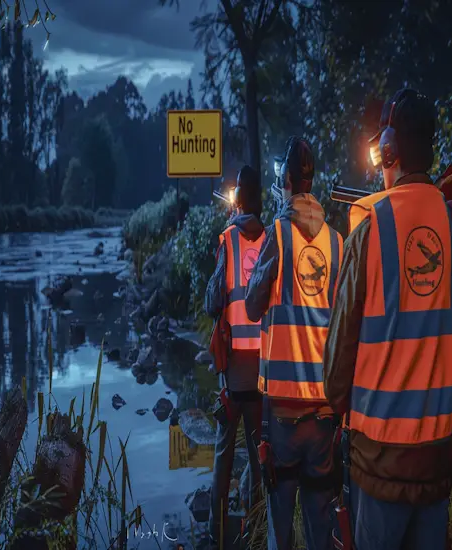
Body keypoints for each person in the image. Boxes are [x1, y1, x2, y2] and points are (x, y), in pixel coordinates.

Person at [323, 88, 452, 550]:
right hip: (435, 462)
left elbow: (336, 372)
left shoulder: (369, 229)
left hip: (378, 467)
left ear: (388, 151)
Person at [245, 137, 343, 550]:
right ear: (313, 181)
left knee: (280, 531)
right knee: (322, 528)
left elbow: (252, 307)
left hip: (284, 416)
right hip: (325, 413)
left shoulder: (277, 237)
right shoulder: (338, 244)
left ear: (285, 181)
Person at [205, 164, 265, 549]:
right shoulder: (274, 237)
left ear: (238, 198)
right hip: (264, 371)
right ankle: (259, 526)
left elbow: (213, 302)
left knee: (224, 455)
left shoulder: (228, 239)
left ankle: (217, 531)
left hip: (232, 375)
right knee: (261, 456)